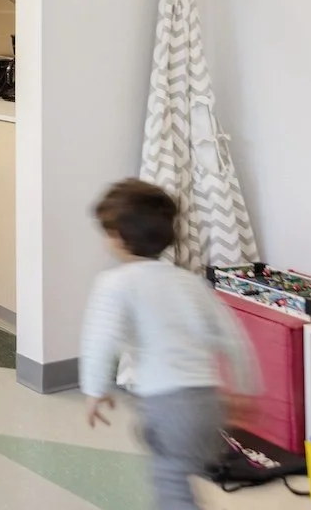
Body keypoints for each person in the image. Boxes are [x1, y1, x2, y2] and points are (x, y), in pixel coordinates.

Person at [80, 179, 260, 510]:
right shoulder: (191, 283)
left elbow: (100, 340)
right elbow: (234, 338)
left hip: (167, 405)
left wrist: (94, 389)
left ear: (117, 237)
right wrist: (245, 389)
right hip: (209, 405)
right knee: (168, 456)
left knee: (172, 484)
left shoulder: (114, 283)